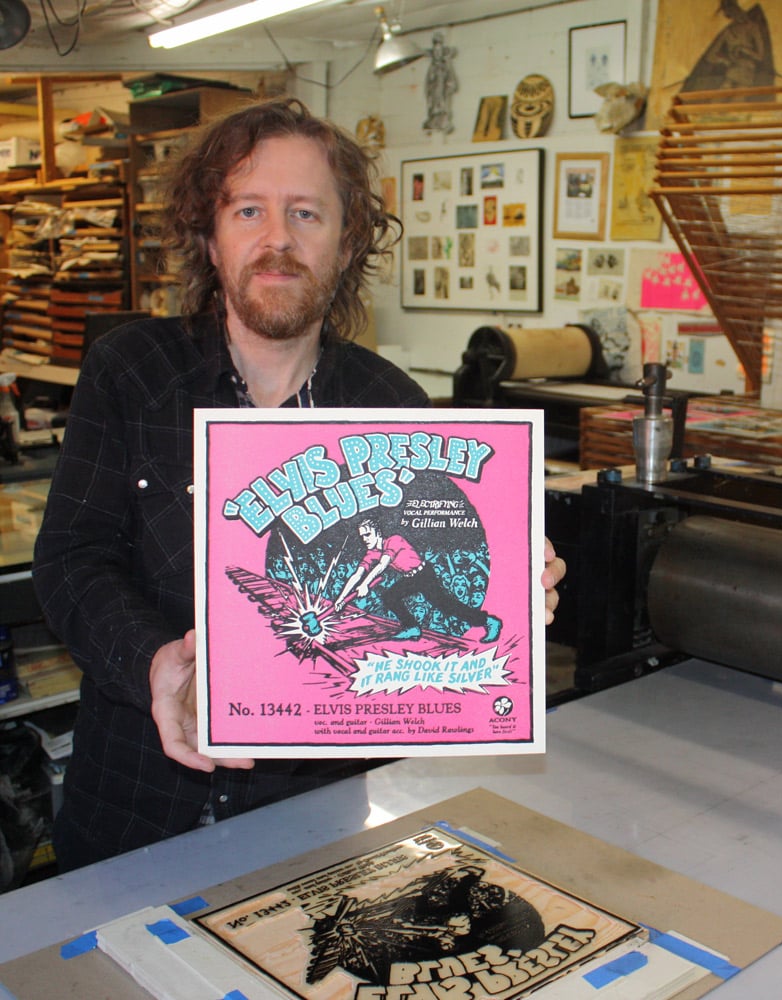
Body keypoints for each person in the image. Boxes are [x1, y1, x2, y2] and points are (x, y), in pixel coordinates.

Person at [32, 98, 565, 872]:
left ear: (346, 245)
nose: (277, 239)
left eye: (306, 214)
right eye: (248, 210)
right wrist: (154, 662)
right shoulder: (131, 372)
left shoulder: (393, 406)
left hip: (314, 819)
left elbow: (426, 580)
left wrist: (514, 592)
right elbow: (71, 560)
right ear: (210, 238)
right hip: (133, 807)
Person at [334, 518, 502, 642]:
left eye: (368, 534)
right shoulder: (372, 553)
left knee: (445, 605)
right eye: (362, 536)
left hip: (424, 575)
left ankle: (489, 621)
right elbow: (356, 575)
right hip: (410, 578)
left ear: (378, 533)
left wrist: (365, 585)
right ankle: (412, 627)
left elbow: (382, 565)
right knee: (390, 597)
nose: (365, 539)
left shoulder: (394, 540)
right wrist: (341, 599)